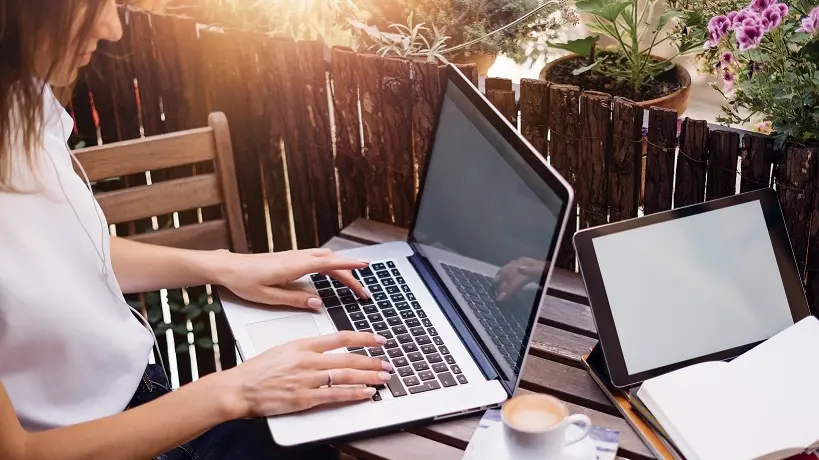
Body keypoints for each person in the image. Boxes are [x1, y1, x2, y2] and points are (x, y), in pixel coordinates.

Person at [0, 1, 393, 459]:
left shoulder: (20, 101)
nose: (112, 29)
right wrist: (235, 392)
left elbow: (59, 252)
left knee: (337, 428)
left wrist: (223, 266)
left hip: (149, 400)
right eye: (90, 5)